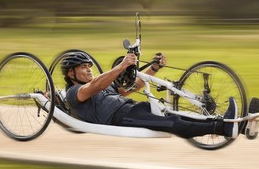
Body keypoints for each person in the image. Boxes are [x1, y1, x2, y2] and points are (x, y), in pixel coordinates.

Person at [61, 51, 239, 139]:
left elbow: (131, 87)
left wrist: (154, 68)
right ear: (71, 74)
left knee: (179, 116)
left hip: (134, 108)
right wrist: (122, 66)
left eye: (89, 67)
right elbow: (95, 85)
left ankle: (239, 124)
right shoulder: (74, 93)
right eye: (83, 67)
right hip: (121, 118)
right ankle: (222, 128)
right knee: (173, 123)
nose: (89, 70)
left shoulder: (103, 86)